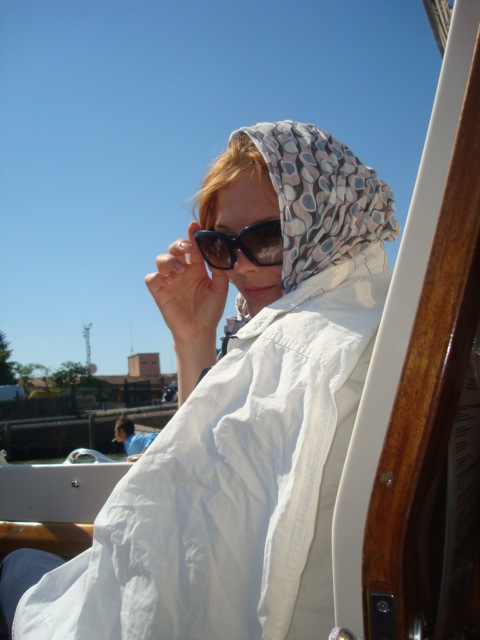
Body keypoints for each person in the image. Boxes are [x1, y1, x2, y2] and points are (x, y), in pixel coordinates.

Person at [3, 120, 399, 639]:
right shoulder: (387, 320)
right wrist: (194, 340)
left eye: (268, 236)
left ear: (326, 222)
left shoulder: (294, 350)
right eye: (220, 244)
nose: (241, 266)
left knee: (16, 566)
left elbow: (169, 546)